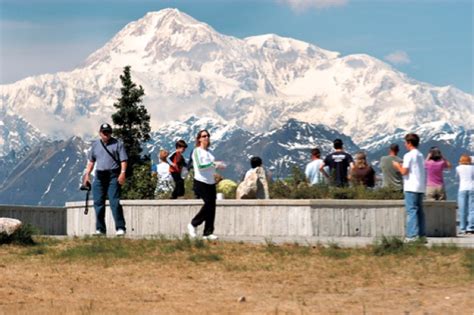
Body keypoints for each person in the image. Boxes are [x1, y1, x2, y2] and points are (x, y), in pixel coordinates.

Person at [82, 123, 128, 236]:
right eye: (104, 132)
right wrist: (87, 174)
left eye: (108, 132)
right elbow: (91, 161)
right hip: (99, 176)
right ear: (100, 133)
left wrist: (122, 173)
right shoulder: (95, 145)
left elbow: (124, 160)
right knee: (98, 203)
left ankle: (120, 228)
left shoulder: (118, 144)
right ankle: (100, 229)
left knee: (114, 202)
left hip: (113, 175)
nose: (106, 134)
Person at [187, 130, 225, 240]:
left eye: (208, 136)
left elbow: (210, 168)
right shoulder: (196, 151)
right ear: (199, 139)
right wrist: (214, 164)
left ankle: (208, 233)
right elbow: (200, 166)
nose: (206, 138)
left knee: (212, 206)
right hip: (200, 181)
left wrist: (216, 171)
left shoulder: (209, 153)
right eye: (204, 136)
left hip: (211, 182)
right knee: (208, 204)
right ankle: (193, 224)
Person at [392, 133, 426, 241]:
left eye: (406, 143)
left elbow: (404, 171)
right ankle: (421, 235)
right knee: (419, 211)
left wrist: (398, 166)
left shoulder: (408, 155)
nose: (405, 145)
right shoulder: (421, 155)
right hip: (420, 186)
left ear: (409, 143)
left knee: (411, 210)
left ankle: (411, 235)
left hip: (411, 186)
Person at [456, 154, 474, 234]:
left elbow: (457, 177)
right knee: (472, 209)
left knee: (462, 209)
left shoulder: (458, 168)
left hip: (462, 188)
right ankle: (470, 227)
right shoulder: (473, 168)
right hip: (472, 188)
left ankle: (462, 228)